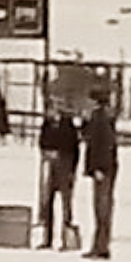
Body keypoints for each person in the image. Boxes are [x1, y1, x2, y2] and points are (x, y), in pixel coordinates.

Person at [82, 82, 120, 260]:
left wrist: (98, 167)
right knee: (102, 207)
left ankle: (101, 247)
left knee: (102, 208)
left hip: (103, 168)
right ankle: (100, 245)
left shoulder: (100, 118)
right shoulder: (100, 117)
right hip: (106, 167)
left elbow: (103, 145)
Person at [36, 104, 81, 250]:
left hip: (65, 166)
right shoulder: (47, 124)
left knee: (66, 204)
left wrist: (72, 170)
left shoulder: (67, 125)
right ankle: (47, 238)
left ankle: (66, 238)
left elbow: (74, 147)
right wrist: (46, 153)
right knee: (47, 202)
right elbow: (41, 141)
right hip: (50, 166)